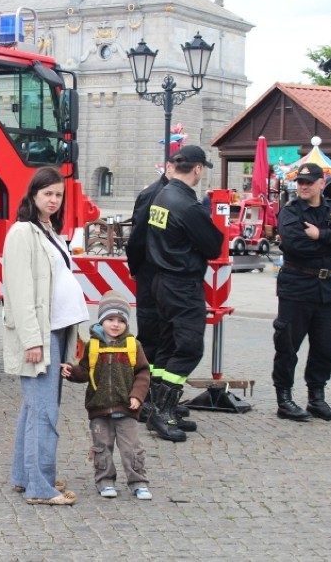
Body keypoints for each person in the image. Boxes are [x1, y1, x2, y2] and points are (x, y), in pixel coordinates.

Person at [2, 165, 88, 506]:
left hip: (57, 329)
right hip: (40, 333)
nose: (53, 200)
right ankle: (41, 486)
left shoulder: (49, 230)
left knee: (34, 407)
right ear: (33, 195)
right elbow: (20, 292)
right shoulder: (22, 232)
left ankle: (26, 476)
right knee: (44, 412)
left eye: (58, 195)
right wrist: (32, 341)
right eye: (47, 194)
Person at [145, 145, 223, 442]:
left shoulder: (162, 196)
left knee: (167, 345)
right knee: (189, 348)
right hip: (182, 284)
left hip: (162, 281)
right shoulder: (188, 206)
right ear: (198, 169)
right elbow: (213, 245)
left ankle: (157, 406)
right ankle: (163, 411)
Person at [271, 163, 331, 422]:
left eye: (309, 182)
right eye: (300, 182)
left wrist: (319, 234)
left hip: (324, 289)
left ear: (322, 183)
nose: (304, 186)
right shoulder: (290, 212)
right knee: (287, 345)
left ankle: (316, 399)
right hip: (296, 286)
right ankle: (284, 399)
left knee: (325, 347)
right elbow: (295, 247)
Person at [61, 290, 153, 500]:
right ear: (102, 320)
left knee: (131, 448)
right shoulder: (92, 346)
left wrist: (137, 396)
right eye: (110, 319)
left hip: (126, 408)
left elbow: (143, 372)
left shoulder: (133, 345)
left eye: (120, 320)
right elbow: (85, 371)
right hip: (99, 408)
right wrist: (71, 372)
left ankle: (138, 482)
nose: (115, 324)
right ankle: (105, 481)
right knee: (101, 447)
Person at [125, 161, 195, 433]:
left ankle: (160, 399)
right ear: (169, 168)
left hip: (164, 277)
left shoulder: (176, 195)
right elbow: (137, 238)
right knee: (152, 338)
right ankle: (145, 399)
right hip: (151, 275)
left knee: (167, 337)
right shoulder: (153, 194)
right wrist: (137, 270)